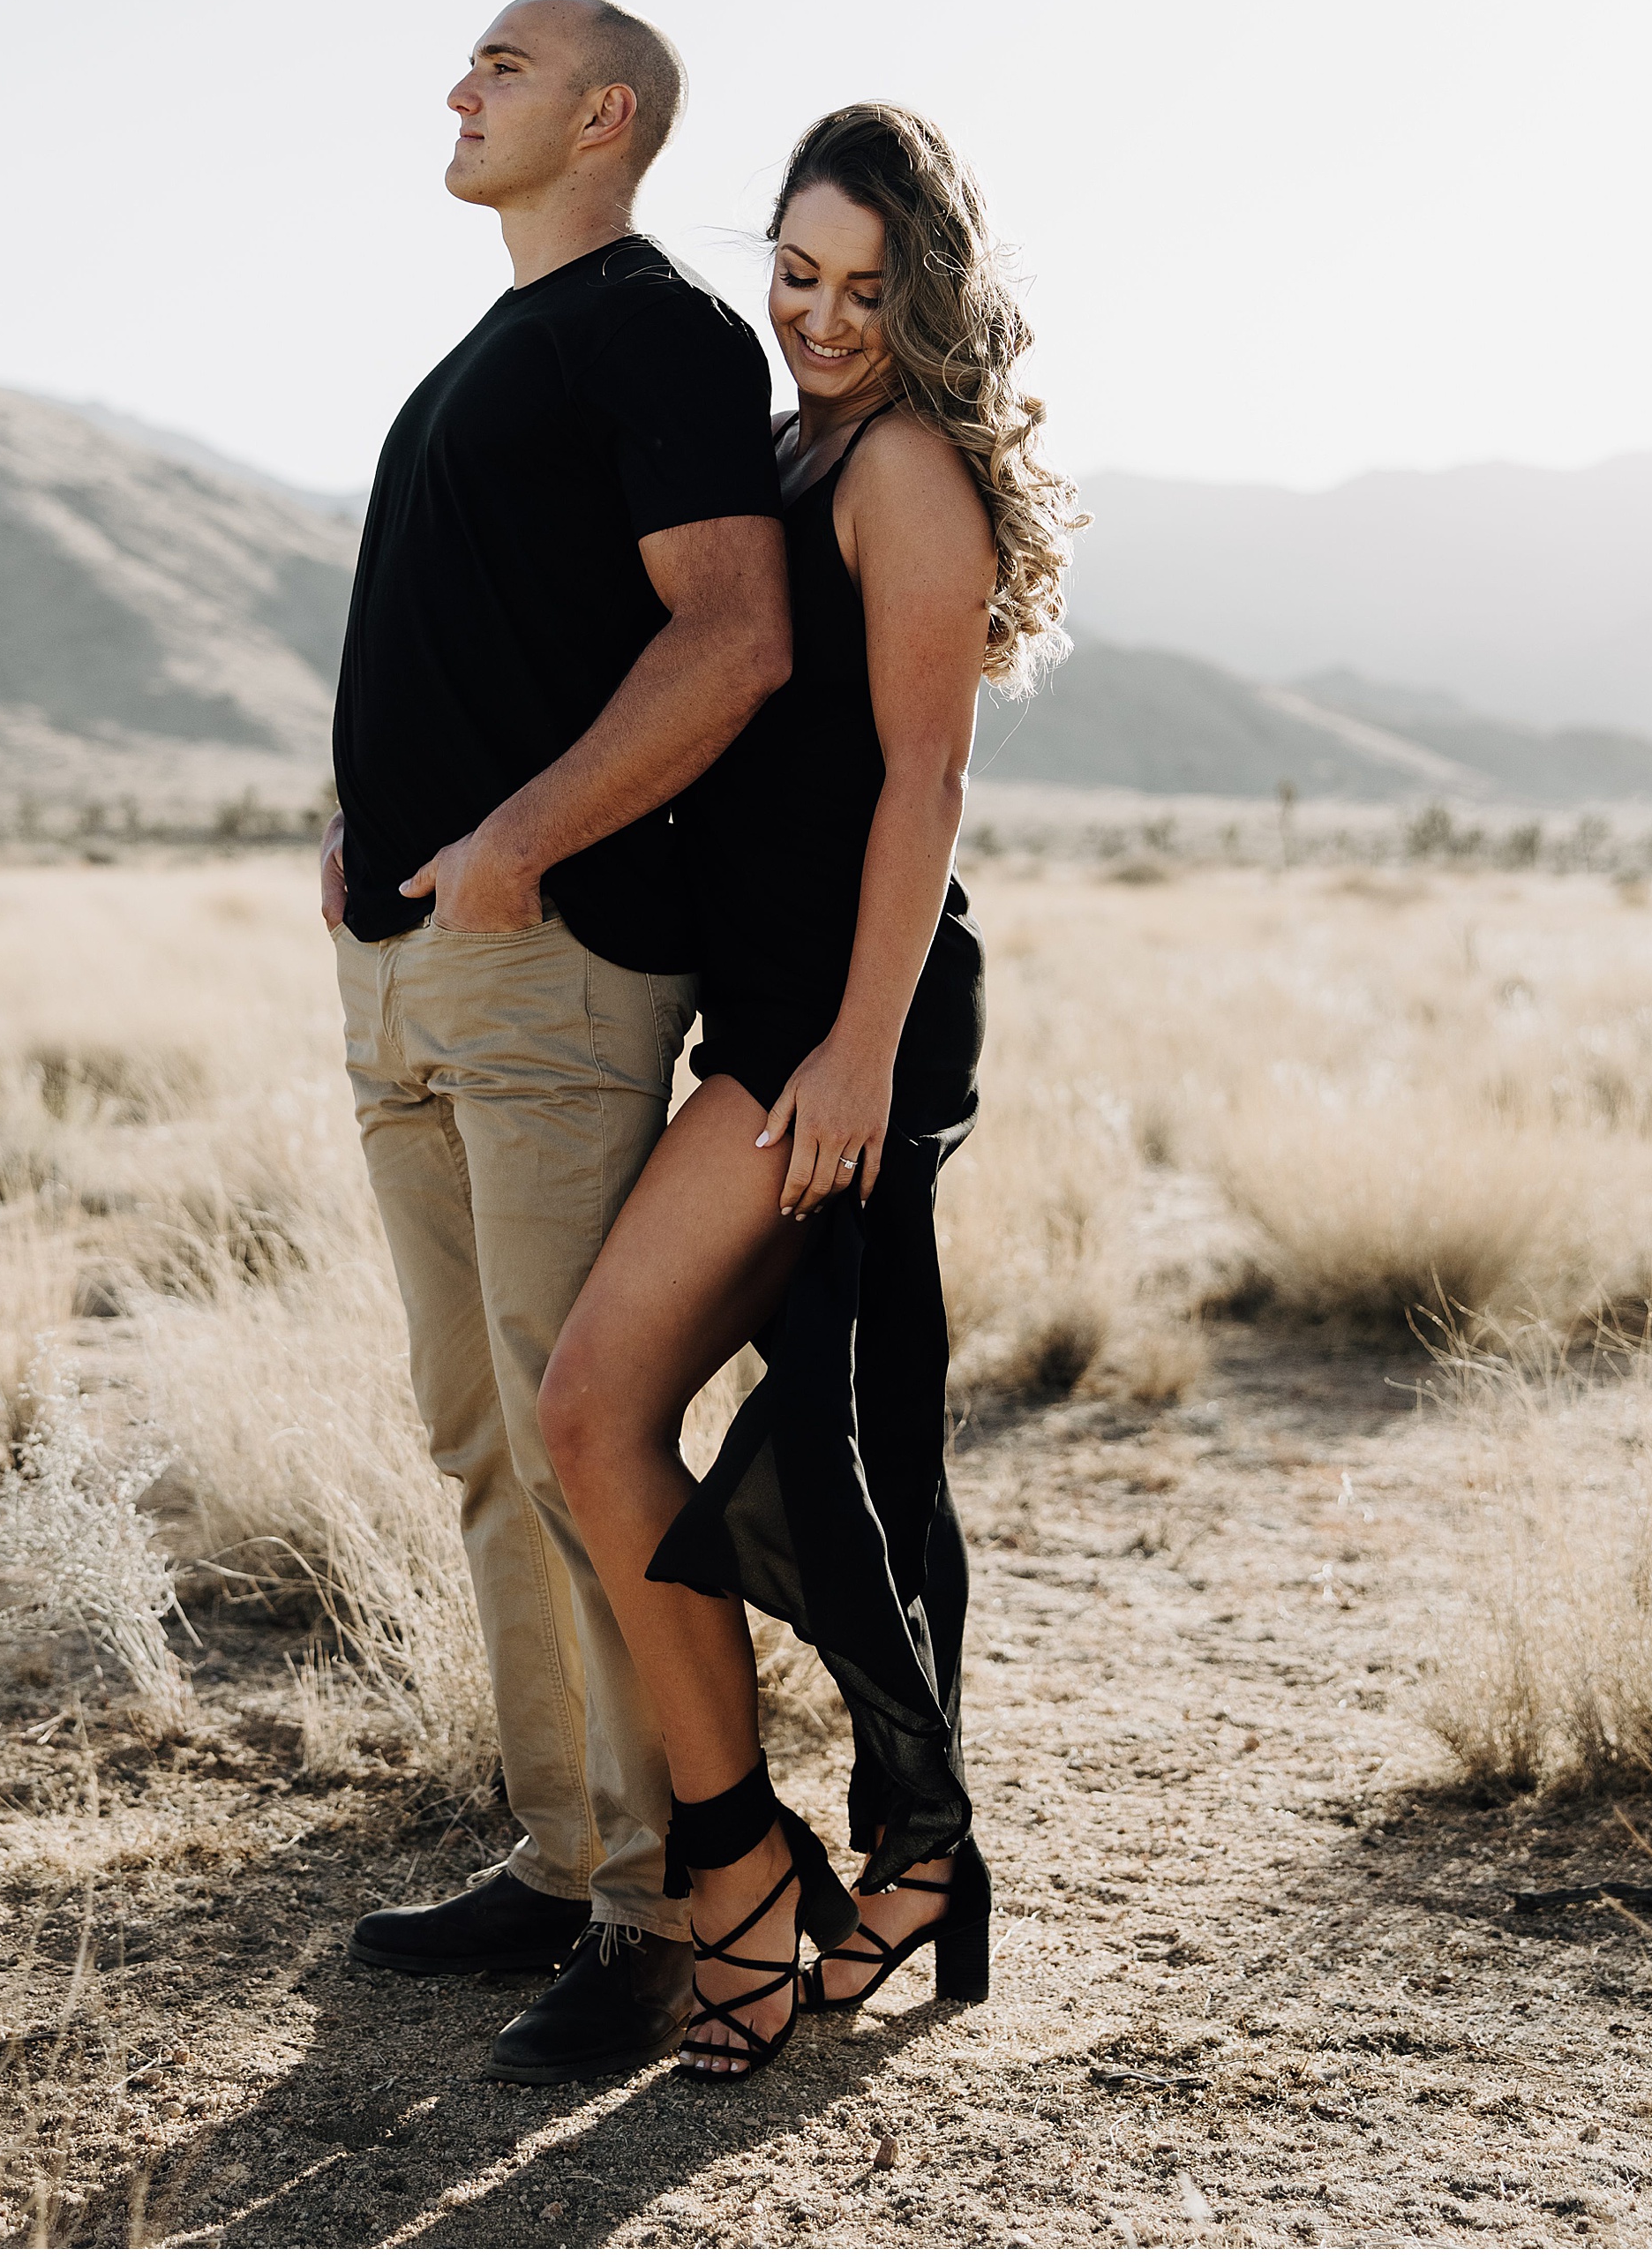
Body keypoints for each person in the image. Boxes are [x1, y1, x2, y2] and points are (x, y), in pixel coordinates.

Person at [537, 104, 1081, 2080]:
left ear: (920, 293)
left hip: (838, 1027)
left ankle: (760, 1876)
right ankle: (888, 1854)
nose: (821, 316)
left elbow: (923, 782)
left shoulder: (904, 466)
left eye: (863, 286)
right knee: (828, 1453)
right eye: (793, 274)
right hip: (770, 1008)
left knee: (614, 1413)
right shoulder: (790, 447)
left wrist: (851, 1051)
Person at [322, 0, 792, 2085]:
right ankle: (559, 1845)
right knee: (475, 1433)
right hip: (406, 969)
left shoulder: (658, 332)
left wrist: (511, 844)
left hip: (552, 962)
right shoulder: (483, 352)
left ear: (604, 115)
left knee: (568, 1423)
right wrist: (359, 839)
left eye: (497, 66)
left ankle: (658, 1911)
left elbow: (735, 635)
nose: (454, 88)